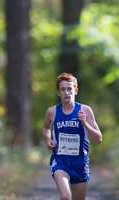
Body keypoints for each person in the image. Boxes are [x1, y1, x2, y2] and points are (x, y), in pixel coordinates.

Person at [42, 72, 102, 200]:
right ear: (58, 93)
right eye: (62, 89)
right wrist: (48, 139)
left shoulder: (85, 110)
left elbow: (98, 139)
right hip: (60, 161)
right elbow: (46, 128)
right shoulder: (52, 112)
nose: (66, 92)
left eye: (69, 88)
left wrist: (85, 122)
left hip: (80, 162)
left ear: (76, 90)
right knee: (65, 196)